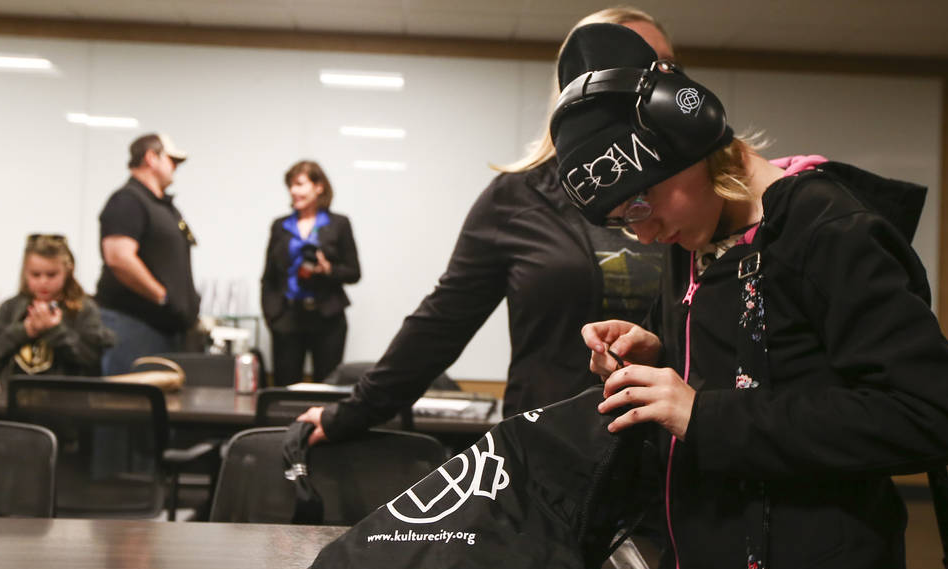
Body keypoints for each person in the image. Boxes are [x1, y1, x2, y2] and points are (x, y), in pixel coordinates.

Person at [550, 23, 948, 569]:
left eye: (642, 201)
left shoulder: (826, 232)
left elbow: (929, 415)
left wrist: (702, 414)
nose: (641, 231)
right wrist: (655, 353)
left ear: (692, 139)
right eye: (620, 220)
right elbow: (766, 363)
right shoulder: (693, 237)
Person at [298, 7, 675, 443]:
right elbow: (441, 324)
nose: (653, 80)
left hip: (666, 457)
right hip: (547, 451)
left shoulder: (691, 201)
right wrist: (347, 414)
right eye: (631, 65)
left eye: (666, 66)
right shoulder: (517, 197)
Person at [95, 133, 200, 375]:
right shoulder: (127, 200)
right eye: (172, 160)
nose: (175, 167)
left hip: (162, 330)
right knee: (128, 407)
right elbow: (118, 258)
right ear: (151, 158)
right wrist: (162, 296)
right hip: (133, 326)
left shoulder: (159, 204)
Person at [261, 160, 360, 385]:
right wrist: (272, 316)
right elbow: (268, 278)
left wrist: (329, 269)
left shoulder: (339, 224)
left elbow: (354, 272)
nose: (293, 191)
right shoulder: (280, 225)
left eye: (299, 184)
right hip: (288, 318)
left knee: (326, 388)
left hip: (327, 318)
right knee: (285, 388)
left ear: (319, 186)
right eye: (290, 185)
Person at [0, 234, 110, 380]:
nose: (43, 281)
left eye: (51, 275)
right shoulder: (11, 307)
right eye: (35, 274)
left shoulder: (83, 309)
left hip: (66, 397)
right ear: (25, 272)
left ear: (67, 272)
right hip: (11, 395)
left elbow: (91, 359)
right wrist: (26, 330)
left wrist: (54, 330)